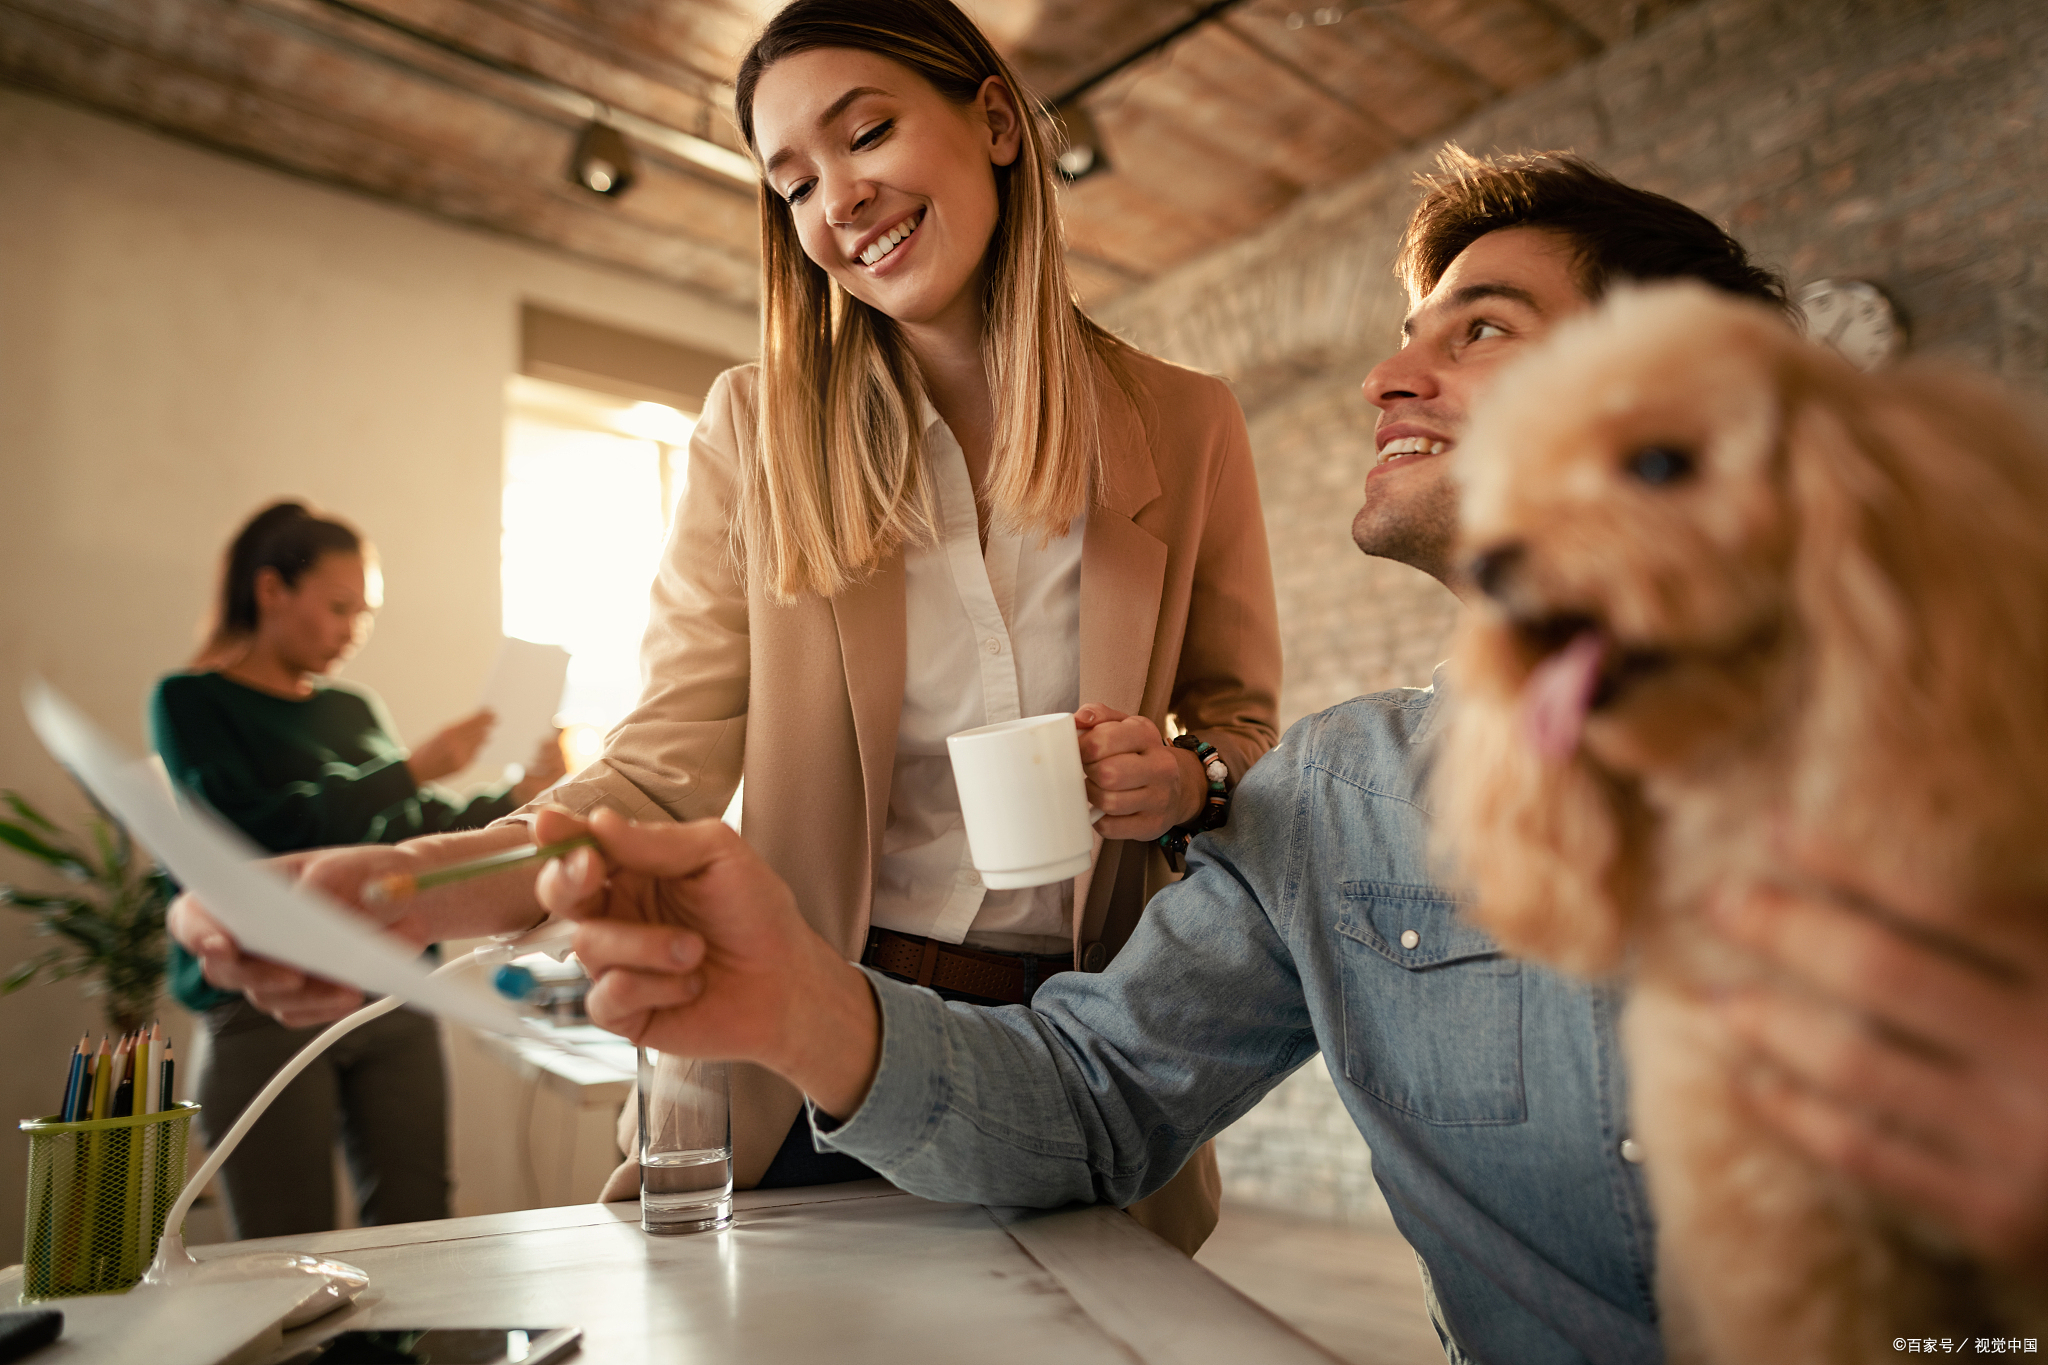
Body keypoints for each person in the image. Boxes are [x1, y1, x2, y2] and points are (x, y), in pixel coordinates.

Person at [494, 152, 2038, 1357]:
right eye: (1404, 335)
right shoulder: (1336, 801)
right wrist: (796, 999)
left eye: (1482, 328)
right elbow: (1089, 1102)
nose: (1388, 378)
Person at [169, 0, 1281, 1254]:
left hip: (1093, 1048)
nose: (838, 202)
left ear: (993, 121)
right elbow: (654, 773)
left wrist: (1184, 775)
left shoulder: (1187, 426)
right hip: (819, 1045)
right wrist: (422, 888)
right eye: (793, 181)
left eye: (866, 134)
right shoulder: (754, 433)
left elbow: (1241, 724)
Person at [152, 500, 564, 1238]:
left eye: (364, 613)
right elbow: (252, 832)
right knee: (284, 1241)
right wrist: (407, 768)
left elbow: (408, 838)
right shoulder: (192, 702)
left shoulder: (351, 707)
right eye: (339, 607)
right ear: (271, 589)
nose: (352, 632)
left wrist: (520, 798)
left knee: (420, 1227)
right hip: (265, 998)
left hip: (390, 992)